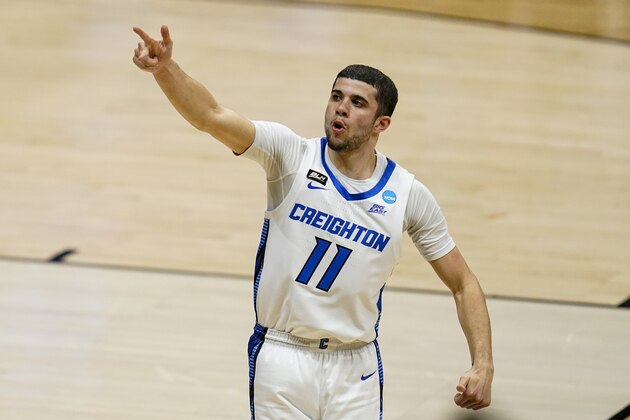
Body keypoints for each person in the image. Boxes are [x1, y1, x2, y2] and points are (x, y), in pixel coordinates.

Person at [132, 25, 493, 419]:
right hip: (283, 357)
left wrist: (483, 364)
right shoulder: (290, 155)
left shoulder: (407, 194)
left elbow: (463, 283)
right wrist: (166, 70)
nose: (341, 108)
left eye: (357, 103)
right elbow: (211, 116)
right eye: (336, 96)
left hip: (356, 365)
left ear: (381, 125)